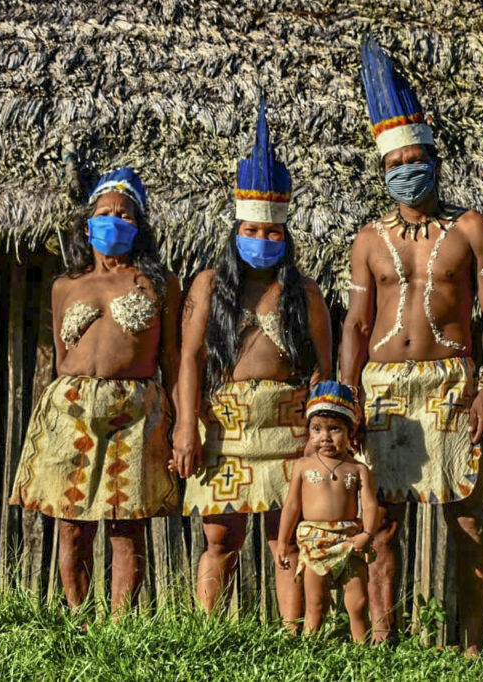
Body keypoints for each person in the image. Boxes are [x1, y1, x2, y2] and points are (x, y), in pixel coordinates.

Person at [339, 36, 483, 654]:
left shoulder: (472, 229)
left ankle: (473, 646)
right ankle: (383, 639)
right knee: (382, 525)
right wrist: (345, 395)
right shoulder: (367, 238)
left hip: (451, 384)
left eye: (416, 158)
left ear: (434, 158)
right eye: (394, 162)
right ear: (383, 170)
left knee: (466, 521)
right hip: (383, 390)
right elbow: (357, 325)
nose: (407, 169)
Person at [172, 100, 332, 628]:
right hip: (224, 426)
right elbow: (190, 359)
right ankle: (208, 631)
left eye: (273, 233)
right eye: (253, 231)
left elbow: (321, 370)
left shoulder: (304, 293)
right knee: (221, 534)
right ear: (236, 230)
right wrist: (185, 426)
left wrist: (317, 431)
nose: (263, 240)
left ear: (286, 237)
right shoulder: (208, 287)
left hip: (287, 425)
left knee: (285, 535)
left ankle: (294, 638)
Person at [9, 167, 182, 616]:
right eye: (104, 213)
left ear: (138, 225)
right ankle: (80, 622)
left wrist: (182, 422)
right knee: (72, 526)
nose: (113, 220)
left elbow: (172, 358)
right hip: (71, 409)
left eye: (123, 214)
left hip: (136, 409)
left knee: (127, 526)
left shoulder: (159, 283)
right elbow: (63, 352)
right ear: (87, 226)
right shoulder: (66, 285)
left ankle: (120, 628)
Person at [275, 381, 380, 642]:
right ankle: (310, 651)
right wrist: (282, 542)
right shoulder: (303, 466)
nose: (326, 437)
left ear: (350, 431)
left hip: (349, 540)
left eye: (335, 429)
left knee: (358, 603)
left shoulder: (357, 470)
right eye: (317, 429)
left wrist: (367, 533)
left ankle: (363, 652)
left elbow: (369, 504)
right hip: (315, 541)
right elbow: (291, 506)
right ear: (309, 431)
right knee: (316, 605)